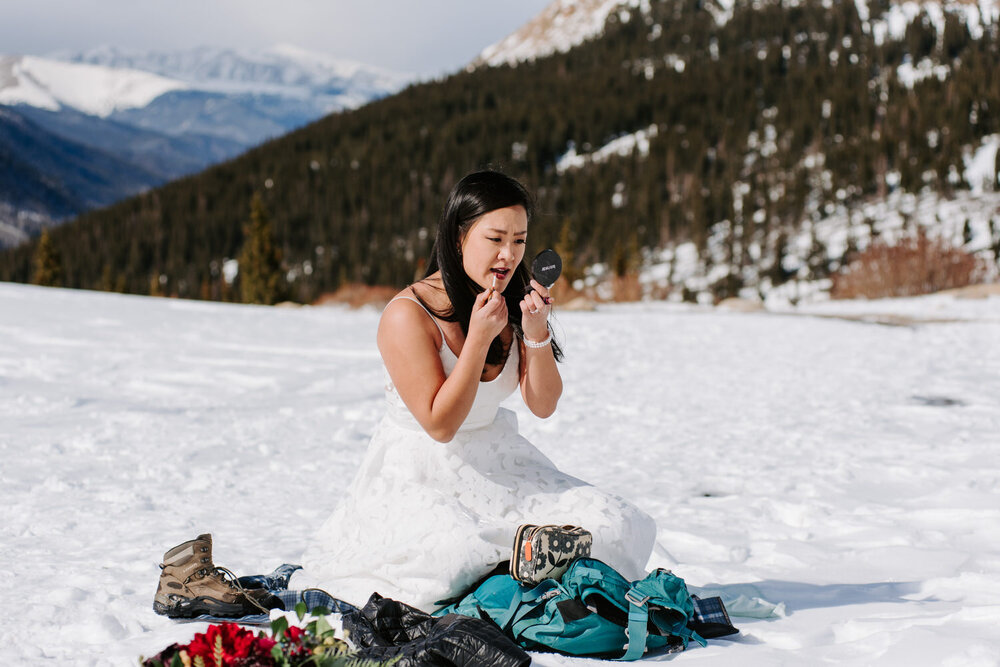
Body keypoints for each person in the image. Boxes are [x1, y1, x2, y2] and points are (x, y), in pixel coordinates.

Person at [299, 170, 656, 611]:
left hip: (500, 463)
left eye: (520, 241)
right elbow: (440, 424)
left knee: (616, 524)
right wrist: (478, 341)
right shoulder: (407, 315)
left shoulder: (513, 297)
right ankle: (524, 568)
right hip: (421, 470)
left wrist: (536, 331)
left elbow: (543, 405)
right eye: (496, 239)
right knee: (453, 554)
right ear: (457, 238)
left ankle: (523, 565)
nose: (509, 255)